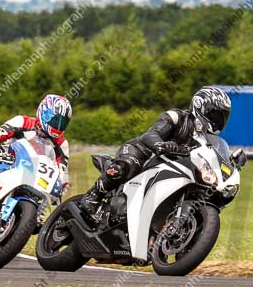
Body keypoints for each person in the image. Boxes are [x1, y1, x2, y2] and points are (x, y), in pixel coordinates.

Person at [79, 86, 232, 215]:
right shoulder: (177, 117)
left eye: (222, 118)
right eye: (215, 115)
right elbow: (150, 134)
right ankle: (93, 195)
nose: (218, 122)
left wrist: (231, 164)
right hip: (143, 152)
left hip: (172, 169)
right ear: (199, 106)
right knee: (126, 166)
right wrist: (161, 144)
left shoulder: (207, 141)